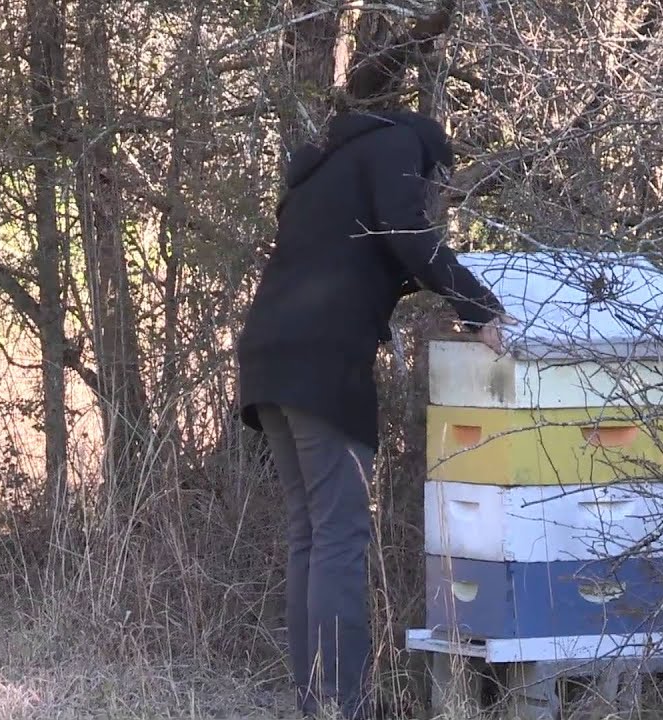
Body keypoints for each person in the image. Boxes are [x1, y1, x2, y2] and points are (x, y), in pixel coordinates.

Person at [234, 109, 513, 719]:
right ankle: (344, 702)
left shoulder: (328, 173)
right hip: (320, 365)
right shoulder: (397, 146)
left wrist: (430, 289)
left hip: (268, 360)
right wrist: (477, 305)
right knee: (338, 536)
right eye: (436, 184)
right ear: (432, 159)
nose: (433, 193)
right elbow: (406, 229)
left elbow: (366, 255)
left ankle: (319, 701)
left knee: (311, 534)